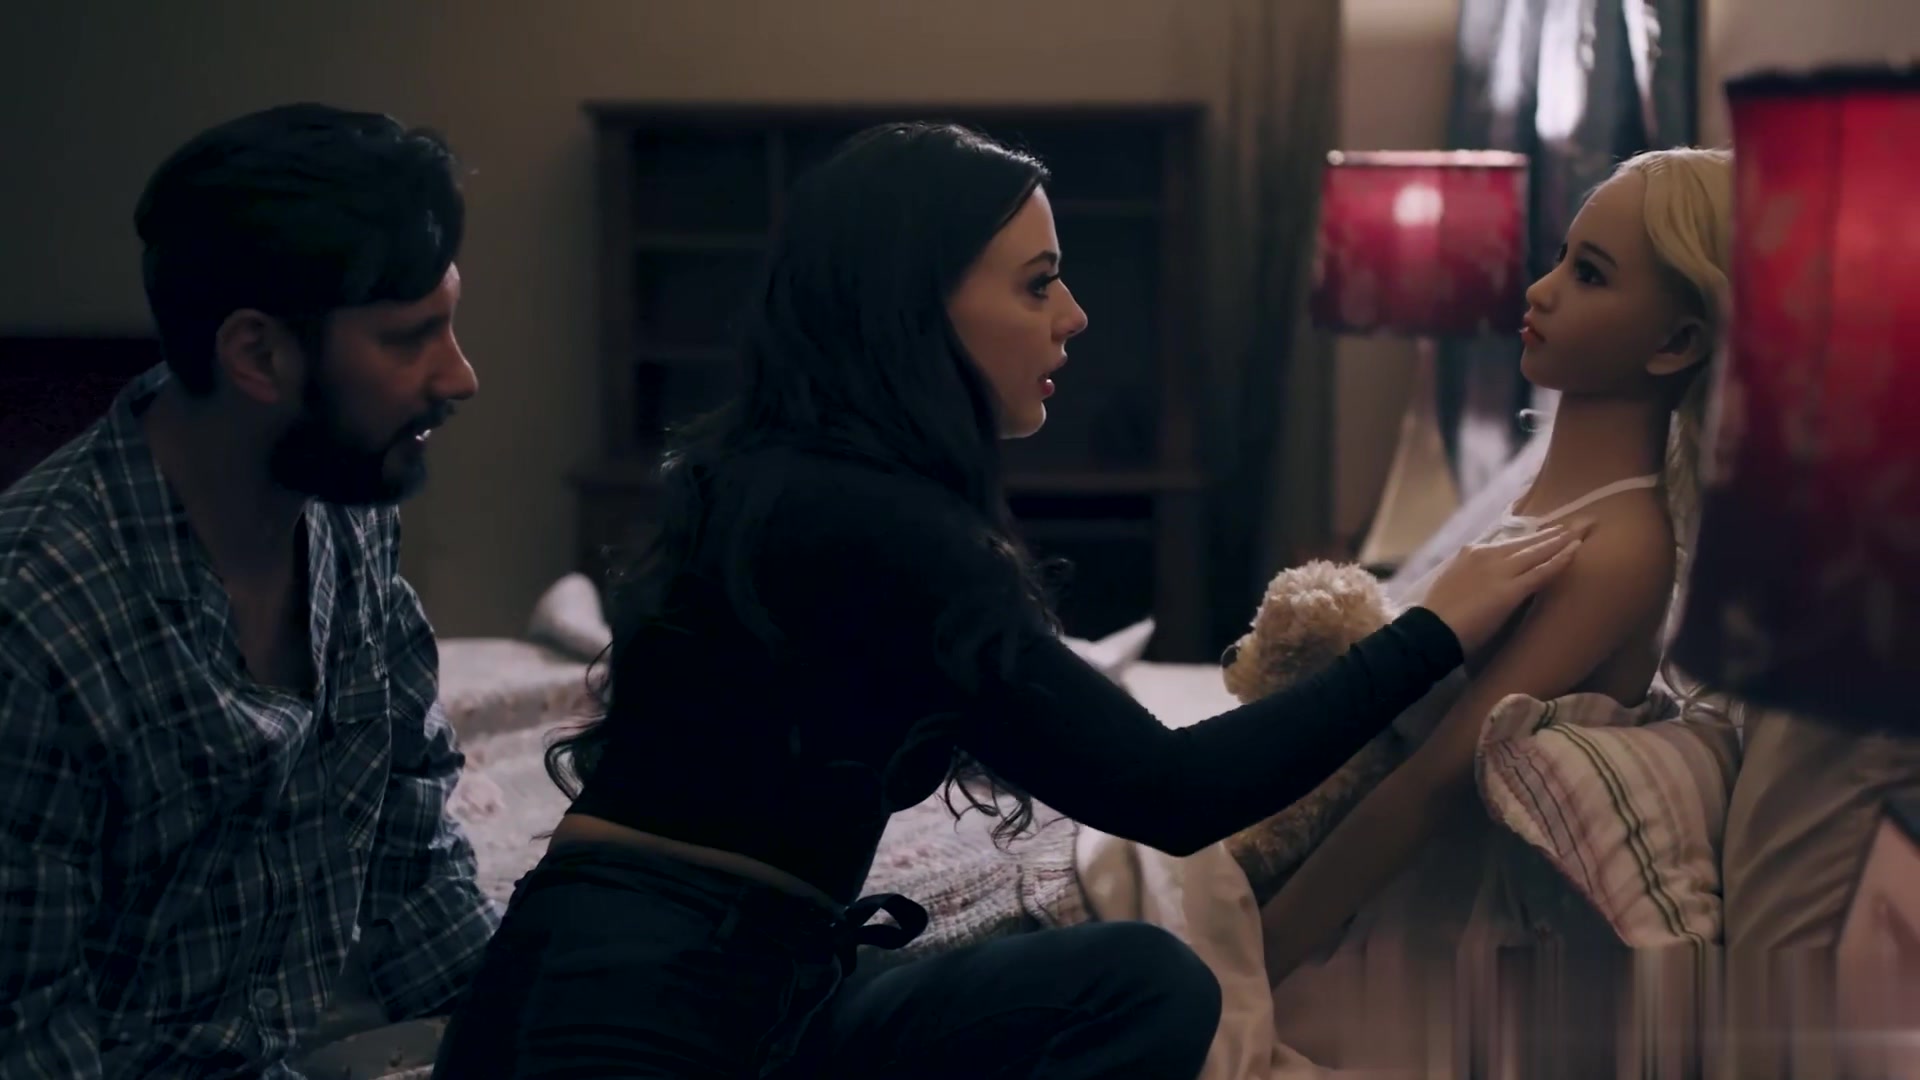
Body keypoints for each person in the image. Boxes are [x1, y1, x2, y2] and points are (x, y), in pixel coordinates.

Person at [431, 122, 1583, 1080]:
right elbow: (1172, 791)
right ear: (915, 305)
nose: (1073, 314)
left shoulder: (781, 476)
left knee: (1144, 983)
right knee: (1145, 988)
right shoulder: (883, 529)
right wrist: (1433, 629)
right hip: (626, 1014)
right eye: (1037, 283)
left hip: (745, 980)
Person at [0, 104, 494, 1078]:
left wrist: (526, 1031)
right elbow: (27, 1040)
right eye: (410, 338)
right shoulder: (35, 625)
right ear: (258, 356)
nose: (461, 376)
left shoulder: (345, 507)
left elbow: (410, 846)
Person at [1256, 147, 1734, 986]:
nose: (1540, 291)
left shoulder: (1621, 547)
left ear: (1676, 343)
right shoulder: (1549, 498)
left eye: (1589, 275)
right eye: (1560, 258)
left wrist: (1257, 955)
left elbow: (1435, 782)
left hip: (1432, 924)